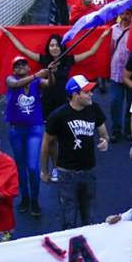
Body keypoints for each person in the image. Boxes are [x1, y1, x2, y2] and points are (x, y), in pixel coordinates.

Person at [42, 75, 109, 228]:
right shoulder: (58, 116)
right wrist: (44, 171)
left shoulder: (94, 109)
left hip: (88, 170)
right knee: (68, 217)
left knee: (89, 217)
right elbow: (47, 144)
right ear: (75, 94)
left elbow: (104, 134)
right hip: (67, 173)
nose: (91, 94)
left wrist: (105, 141)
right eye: (86, 92)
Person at [0, 28, 108, 120]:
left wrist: (102, 36)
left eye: (57, 45)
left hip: (63, 99)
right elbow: (23, 50)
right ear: (48, 48)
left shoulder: (68, 59)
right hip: (47, 99)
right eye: (51, 45)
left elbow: (91, 52)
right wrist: (8, 34)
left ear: (61, 47)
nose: (54, 48)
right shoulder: (44, 59)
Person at [4, 56, 47, 216]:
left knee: (33, 167)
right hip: (16, 130)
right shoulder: (11, 79)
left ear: (29, 67)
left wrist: (51, 72)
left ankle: (35, 200)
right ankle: (25, 198)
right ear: (13, 69)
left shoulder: (37, 82)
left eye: (23, 64)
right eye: (17, 65)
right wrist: (37, 75)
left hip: (34, 129)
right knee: (20, 167)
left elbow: (50, 84)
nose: (20, 67)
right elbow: (14, 84)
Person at [109, 8, 132, 142]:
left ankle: (129, 130)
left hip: (131, 74)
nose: (125, 16)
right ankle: (116, 129)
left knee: (131, 103)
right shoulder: (113, 29)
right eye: (123, 14)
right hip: (115, 72)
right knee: (115, 102)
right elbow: (109, 49)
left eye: (128, 14)